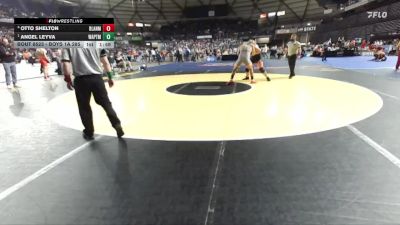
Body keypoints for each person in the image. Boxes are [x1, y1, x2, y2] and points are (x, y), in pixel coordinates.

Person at [61, 48, 124, 140]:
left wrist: (68, 80)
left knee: (84, 107)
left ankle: (89, 132)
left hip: (81, 80)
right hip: (97, 79)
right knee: (106, 103)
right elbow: (105, 62)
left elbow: (65, 64)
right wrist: (110, 77)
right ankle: (116, 124)